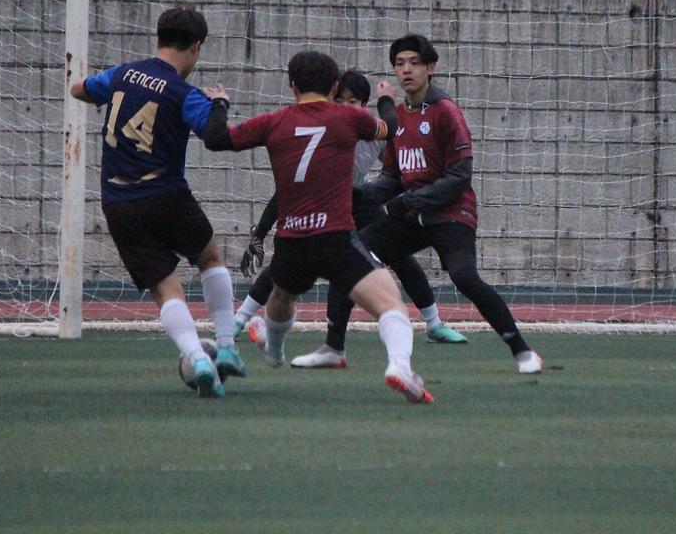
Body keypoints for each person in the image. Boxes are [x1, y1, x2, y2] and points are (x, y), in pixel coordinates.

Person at [204, 51, 433, 403]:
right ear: (334, 87)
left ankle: (275, 351)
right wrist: (387, 99)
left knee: (281, 296)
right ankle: (400, 365)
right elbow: (390, 128)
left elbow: (215, 139)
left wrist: (219, 104)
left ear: (293, 85)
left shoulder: (272, 122)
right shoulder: (349, 118)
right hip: (335, 239)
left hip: (292, 240)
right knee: (391, 304)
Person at [232, 69, 468, 369]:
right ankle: (239, 319)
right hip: (322, 204)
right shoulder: (326, 129)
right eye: (339, 100)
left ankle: (433, 323)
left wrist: (413, 196)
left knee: (399, 255)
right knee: (287, 264)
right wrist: (260, 233)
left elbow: (397, 165)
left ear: (364, 105)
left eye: (353, 101)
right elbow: (285, 192)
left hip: (360, 199)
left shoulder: (371, 133)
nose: (345, 106)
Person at [69, 6, 244, 399]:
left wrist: (102, 94)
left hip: (117, 203)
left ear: (159, 37)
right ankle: (226, 347)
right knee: (210, 258)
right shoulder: (183, 94)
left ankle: (197, 358)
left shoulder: (121, 75)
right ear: (196, 46)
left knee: (166, 289)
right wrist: (219, 103)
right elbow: (215, 136)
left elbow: (79, 89)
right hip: (166, 194)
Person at [356, 34, 544, 374]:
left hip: (451, 213)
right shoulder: (398, 117)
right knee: (353, 253)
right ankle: (334, 346)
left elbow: (459, 177)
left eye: (414, 63)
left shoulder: (446, 111)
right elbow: (392, 176)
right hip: (413, 215)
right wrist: (364, 193)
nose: (406, 70)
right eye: (399, 64)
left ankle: (522, 350)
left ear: (431, 68)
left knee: (464, 277)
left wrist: (409, 200)